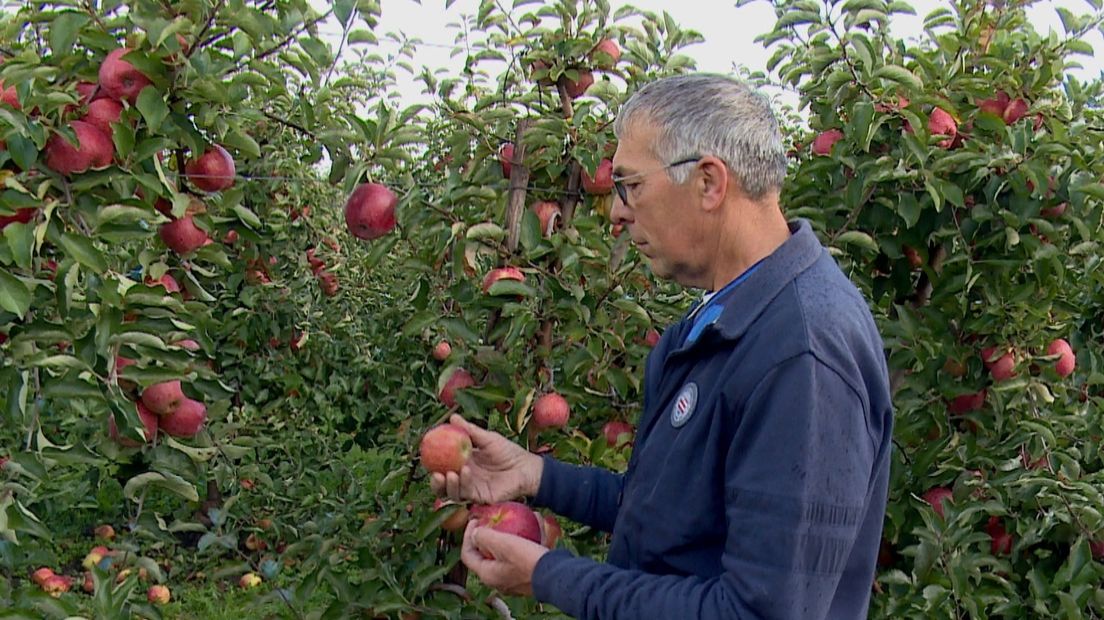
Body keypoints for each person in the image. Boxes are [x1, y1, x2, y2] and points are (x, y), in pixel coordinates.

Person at [431, 73, 894, 619]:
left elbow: (758, 613)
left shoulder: (802, 353)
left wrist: (550, 576)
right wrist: (536, 475)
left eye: (630, 184)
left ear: (708, 183)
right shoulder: (719, 321)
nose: (618, 210)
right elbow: (672, 518)